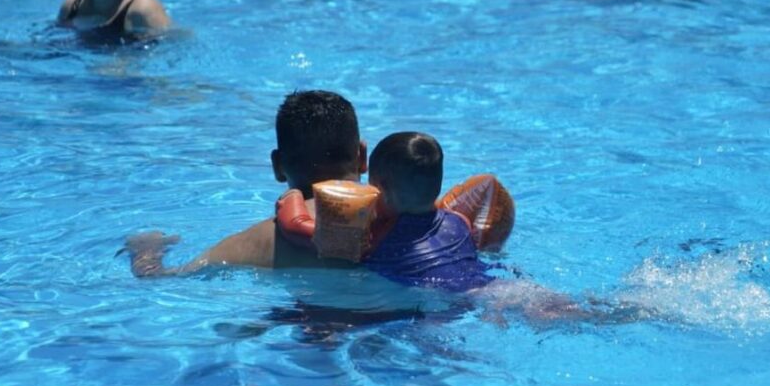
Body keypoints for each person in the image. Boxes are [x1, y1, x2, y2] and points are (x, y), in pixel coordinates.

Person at [125, 90, 368, 276]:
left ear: (277, 166)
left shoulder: (256, 242)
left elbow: (157, 279)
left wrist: (146, 250)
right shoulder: (389, 215)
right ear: (363, 156)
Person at [365, 132, 496, 292]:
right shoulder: (461, 221)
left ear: (382, 189)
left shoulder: (376, 236)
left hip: (443, 295)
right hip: (487, 286)